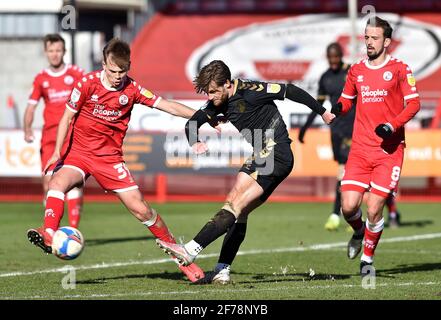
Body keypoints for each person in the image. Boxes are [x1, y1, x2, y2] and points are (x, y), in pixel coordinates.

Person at [26, 38, 205, 283]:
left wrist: (204, 116)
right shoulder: (86, 83)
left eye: (122, 71)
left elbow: (168, 106)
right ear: (103, 64)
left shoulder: (132, 89)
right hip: (79, 153)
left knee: (142, 211)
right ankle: (48, 233)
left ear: (128, 66)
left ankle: (182, 259)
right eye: (112, 71)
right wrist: (58, 152)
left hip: (109, 160)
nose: (117, 76)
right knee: (56, 183)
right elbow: (67, 117)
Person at [157, 60, 335, 284]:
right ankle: (222, 271)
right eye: (208, 92)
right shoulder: (217, 102)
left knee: (235, 204)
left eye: (214, 91)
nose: (210, 97)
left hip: (276, 153)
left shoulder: (252, 91)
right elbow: (191, 124)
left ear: (228, 84)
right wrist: (195, 142)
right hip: (261, 154)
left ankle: (190, 249)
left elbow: (291, 90)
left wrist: (322, 112)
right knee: (238, 210)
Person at [334, 16, 420, 277]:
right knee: (348, 207)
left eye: (373, 38)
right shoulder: (356, 70)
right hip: (360, 150)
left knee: (374, 207)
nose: (368, 42)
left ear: (387, 41)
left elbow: (414, 104)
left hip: (389, 151)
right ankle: (359, 231)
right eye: (366, 37)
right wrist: (337, 109)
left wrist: (392, 126)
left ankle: (367, 259)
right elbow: (346, 100)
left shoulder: (400, 69)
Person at [299, 42, 402, 230]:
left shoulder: (354, 72)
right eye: (330, 58)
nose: (333, 61)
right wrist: (305, 127)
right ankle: (352, 213)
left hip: (357, 131)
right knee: (347, 175)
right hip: (336, 132)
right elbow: (319, 106)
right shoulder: (325, 77)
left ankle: (340, 214)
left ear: (341, 55)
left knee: (358, 177)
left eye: (336, 57)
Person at [23, 34, 85, 228]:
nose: (55, 54)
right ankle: (51, 230)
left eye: (58, 50)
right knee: (49, 184)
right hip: (50, 138)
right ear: (46, 52)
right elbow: (31, 106)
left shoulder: (76, 73)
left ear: (64, 51)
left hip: (73, 136)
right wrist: (27, 128)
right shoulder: (41, 79)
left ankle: (73, 230)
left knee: (72, 182)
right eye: (51, 50)